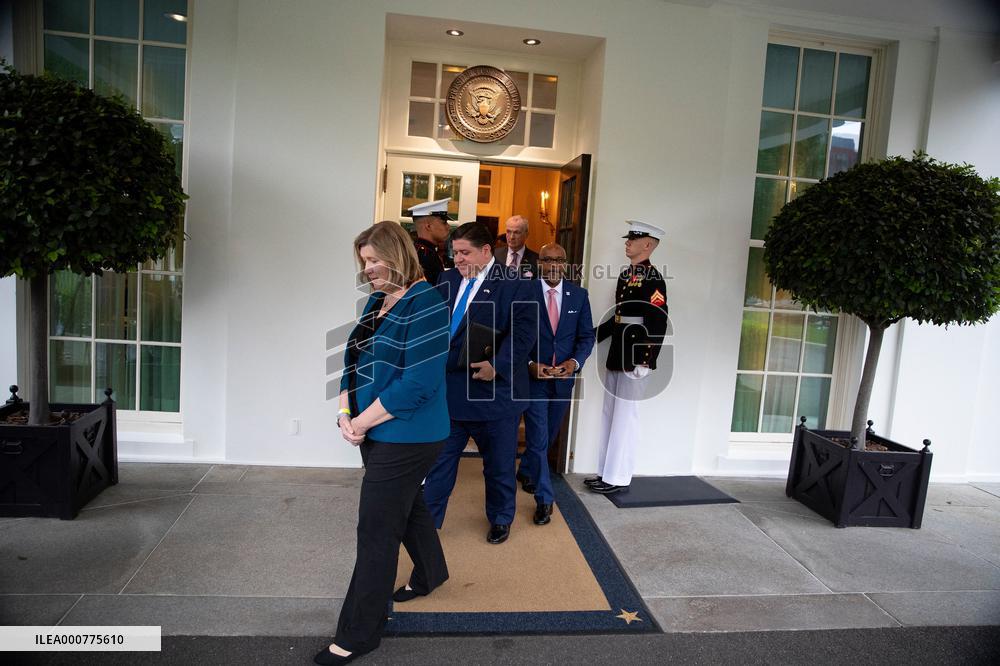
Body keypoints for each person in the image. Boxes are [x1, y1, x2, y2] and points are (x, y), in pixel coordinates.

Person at [316, 221, 450, 665]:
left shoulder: (427, 303)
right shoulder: (377, 301)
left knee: (376, 530)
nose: (368, 269)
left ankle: (359, 633)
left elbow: (418, 384)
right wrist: (344, 412)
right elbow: (353, 359)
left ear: (397, 255)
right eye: (364, 262)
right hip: (373, 429)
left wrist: (362, 422)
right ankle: (432, 573)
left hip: (410, 436)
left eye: (374, 260)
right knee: (408, 508)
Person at [422, 222, 537, 544]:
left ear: (486, 252)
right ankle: (428, 523)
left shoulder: (517, 285)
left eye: (464, 253)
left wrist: (497, 367)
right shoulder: (446, 280)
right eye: (454, 252)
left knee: (499, 467)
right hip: (448, 396)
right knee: (440, 465)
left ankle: (501, 518)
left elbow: (525, 333)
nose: (457, 259)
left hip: (494, 396)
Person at [588, 221, 669, 495]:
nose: (628, 243)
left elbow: (658, 320)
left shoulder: (654, 278)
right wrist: (591, 337)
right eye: (628, 239)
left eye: (634, 239)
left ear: (648, 244)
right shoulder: (626, 275)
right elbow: (619, 316)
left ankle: (619, 476)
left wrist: (645, 358)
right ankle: (605, 472)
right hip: (618, 352)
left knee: (626, 417)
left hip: (635, 354)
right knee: (610, 414)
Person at [519, 242, 596, 525]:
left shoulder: (578, 295)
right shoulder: (524, 292)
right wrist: (529, 364)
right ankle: (544, 499)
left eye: (559, 260)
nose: (553, 265)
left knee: (549, 435)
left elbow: (586, 336)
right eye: (547, 259)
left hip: (563, 381)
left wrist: (573, 364)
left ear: (566, 264)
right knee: (539, 438)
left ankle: (526, 469)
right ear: (540, 262)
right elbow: (512, 333)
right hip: (533, 380)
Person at [408, 197, 452, 284]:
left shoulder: (421, 251)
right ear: (428, 226)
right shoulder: (425, 256)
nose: (448, 226)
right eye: (444, 222)